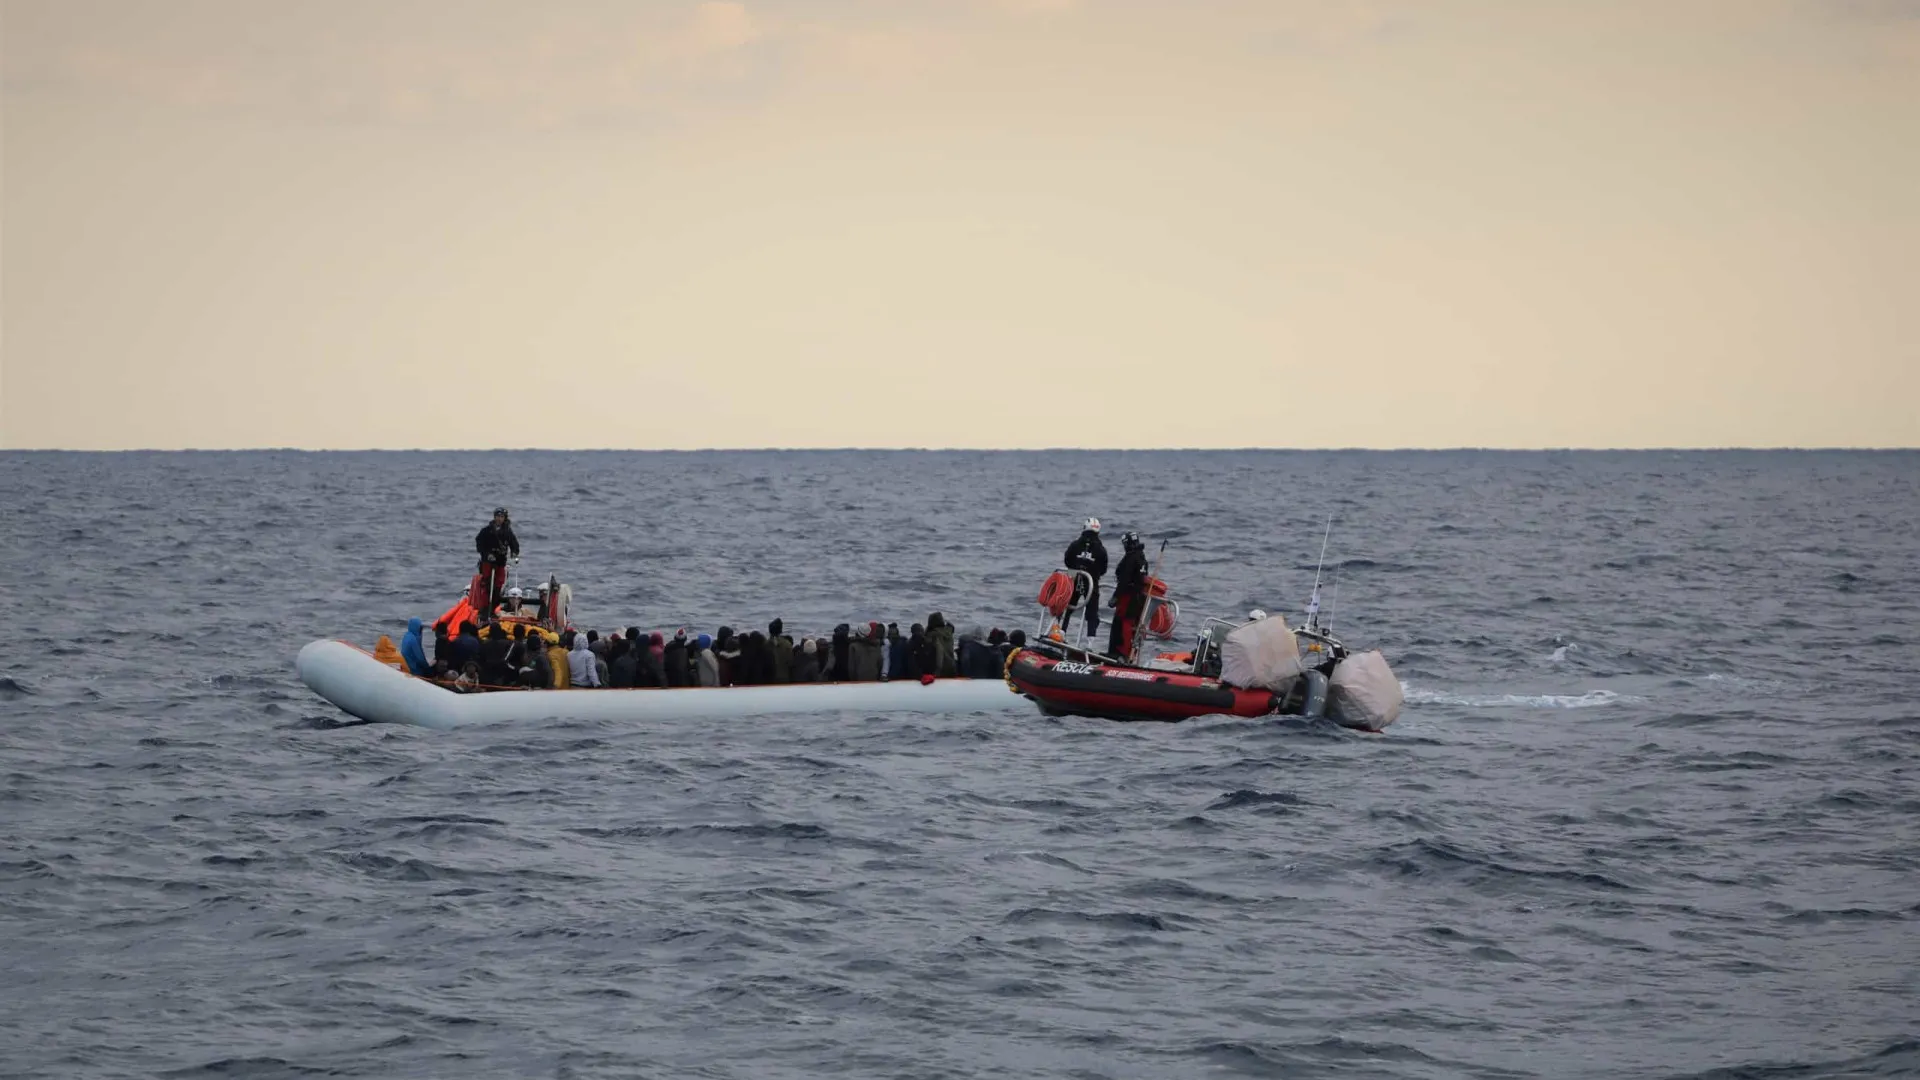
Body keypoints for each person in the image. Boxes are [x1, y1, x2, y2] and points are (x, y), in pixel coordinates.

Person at [1063, 517, 1109, 636]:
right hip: (1091, 581)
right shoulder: (1101, 550)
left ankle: (1061, 631)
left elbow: (1067, 560)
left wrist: (1075, 567)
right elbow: (1103, 569)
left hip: (1074, 577)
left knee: (1067, 606)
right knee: (1092, 613)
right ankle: (1090, 642)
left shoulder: (1075, 545)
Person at [1108, 530, 1149, 660]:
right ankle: (1131, 654)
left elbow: (1125, 580)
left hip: (1128, 597)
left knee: (1123, 624)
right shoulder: (1142, 557)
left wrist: (1115, 596)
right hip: (1139, 597)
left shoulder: (1131, 559)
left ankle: (1122, 654)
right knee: (1133, 625)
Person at [474, 507, 520, 615]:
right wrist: (486, 554)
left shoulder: (507, 532)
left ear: (505, 518)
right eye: (497, 516)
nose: (499, 519)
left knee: (499, 584)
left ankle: (494, 606)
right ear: (494, 517)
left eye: (501, 517)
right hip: (488, 561)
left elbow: (514, 544)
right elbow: (479, 543)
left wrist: (514, 553)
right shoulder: (487, 531)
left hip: (500, 561)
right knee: (486, 584)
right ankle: (485, 608)